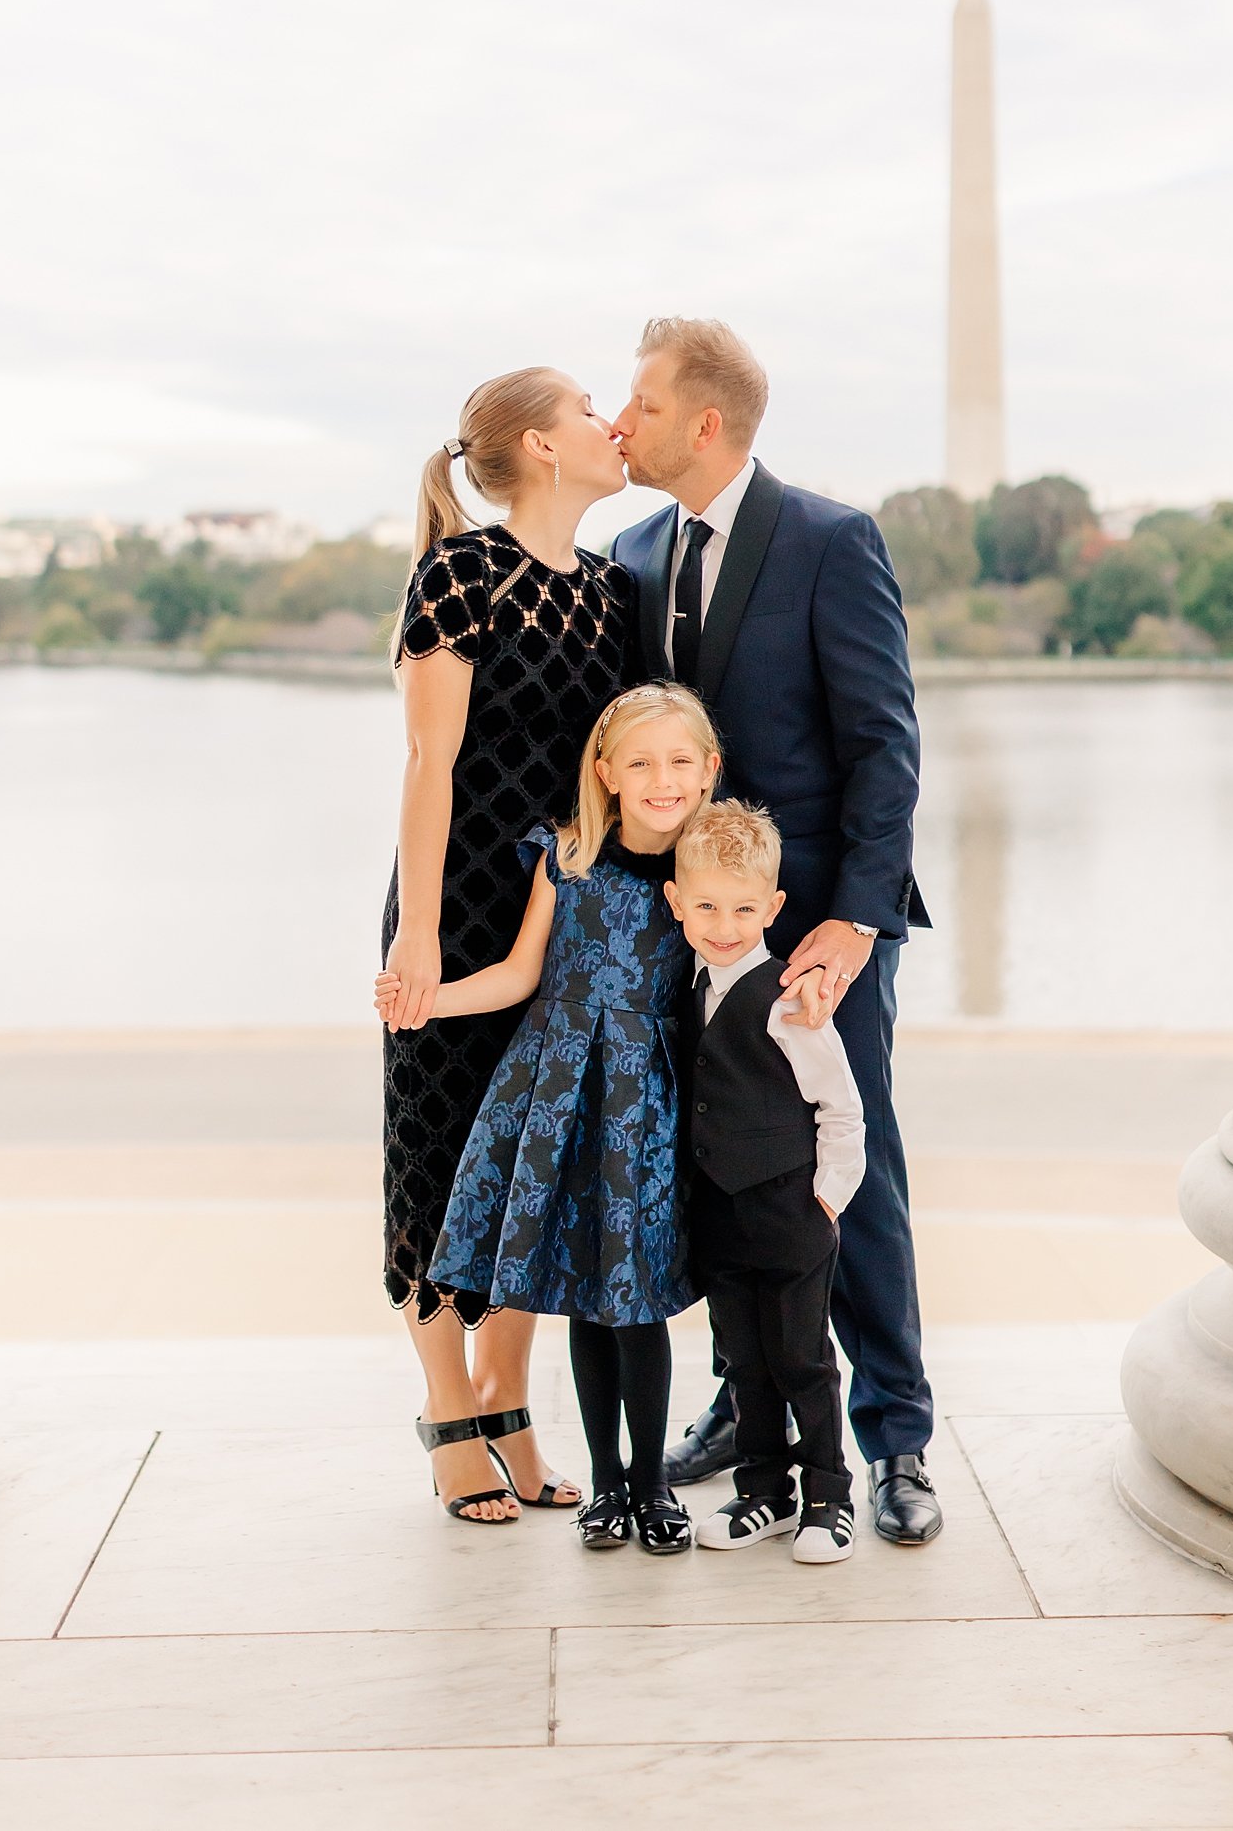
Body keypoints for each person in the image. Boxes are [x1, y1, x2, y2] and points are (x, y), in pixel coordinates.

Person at [610, 316, 943, 1547]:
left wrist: (858, 918)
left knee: (852, 1174)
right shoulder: (632, 548)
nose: (618, 423)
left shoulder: (829, 539)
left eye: (639, 405)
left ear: (706, 421)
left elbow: (884, 746)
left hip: (818, 938)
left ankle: (897, 1438)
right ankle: (743, 1410)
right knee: (722, 1165)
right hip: (689, 934)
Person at [380, 366, 634, 1525]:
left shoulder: (615, 593)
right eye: (588, 409)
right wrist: (421, 939)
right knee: (440, 1151)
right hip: (457, 905)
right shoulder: (461, 575)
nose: (609, 425)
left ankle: (509, 1400)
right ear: (538, 445)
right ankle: (448, 1412)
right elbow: (429, 766)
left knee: (535, 1158)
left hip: (560, 913)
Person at [381, 683, 715, 1552]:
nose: (661, 779)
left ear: (709, 770)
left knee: (636, 1300)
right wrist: (432, 1000)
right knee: (585, 1301)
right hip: (558, 1095)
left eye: (680, 761)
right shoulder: (564, 859)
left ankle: (653, 1488)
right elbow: (520, 974)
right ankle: (609, 1487)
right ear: (603, 774)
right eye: (639, 762)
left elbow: (736, 975)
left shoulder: (704, 875)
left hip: (643, 1108)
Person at [667, 802, 866, 1566]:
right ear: (677, 902)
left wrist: (826, 1200)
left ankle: (827, 1495)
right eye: (708, 905)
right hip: (719, 1213)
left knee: (802, 1358)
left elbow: (840, 1107)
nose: (725, 924)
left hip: (791, 1212)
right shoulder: (684, 989)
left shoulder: (793, 1001)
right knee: (742, 1359)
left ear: (774, 908)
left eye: (745, 908)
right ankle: (763, 1492)